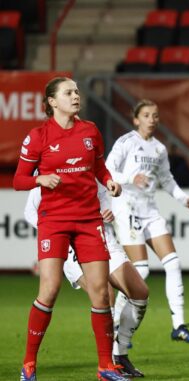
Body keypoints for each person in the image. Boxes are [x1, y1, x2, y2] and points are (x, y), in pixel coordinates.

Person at [13, 76, 128, 381]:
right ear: (52, 102)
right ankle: (29, 364)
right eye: (68, 92)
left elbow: (99, 167)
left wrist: (109, 182)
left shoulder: (90, 130)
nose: (76, 96)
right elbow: (18, 180)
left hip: (90, 220)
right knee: (49, 290)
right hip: (54, 221)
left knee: (101, 294)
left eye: (77, 91)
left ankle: (105, 367)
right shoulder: (37, 136)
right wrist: (39, 179)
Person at [24, 183, 149, 377]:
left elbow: (106, 196)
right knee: (104, 293)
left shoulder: (92, 160)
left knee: (140, 293)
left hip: (102, 236)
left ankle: (120, 354)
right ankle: (107, 366)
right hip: (70, 242)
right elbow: (30, 211)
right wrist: (54, 229)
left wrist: (108, 211)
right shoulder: (53, 164)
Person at [105, 99, 189, 343]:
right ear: (136, 119)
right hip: (127, 208)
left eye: (155, 115)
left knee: (173, 263)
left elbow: (166, 179)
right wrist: (129, 178)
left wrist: (184, 199)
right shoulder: (126, 142)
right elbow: (106, 170)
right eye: (146, 115)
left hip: (149, 210)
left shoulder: (159, 148)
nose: (152, 119)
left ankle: (178, 325)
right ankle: (115, 319)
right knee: (141, 271)